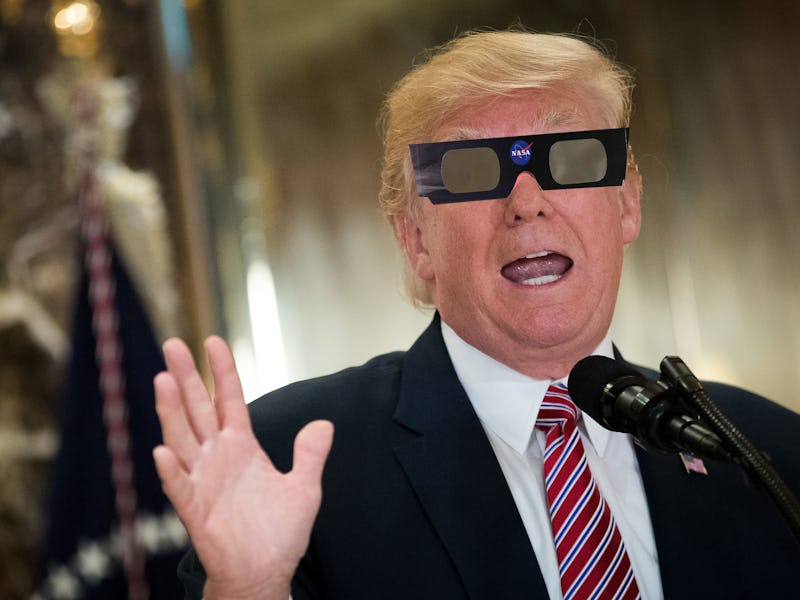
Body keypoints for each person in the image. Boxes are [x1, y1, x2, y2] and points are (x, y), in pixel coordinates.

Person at [152, 29, 800, 600]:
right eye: (470, 171)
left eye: (569, 157)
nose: (527, 201)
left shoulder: (766, 453)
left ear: (627, 204)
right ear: (415, 239)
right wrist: (249, 590)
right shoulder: (292, 460)